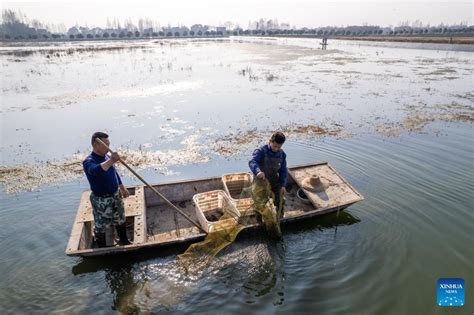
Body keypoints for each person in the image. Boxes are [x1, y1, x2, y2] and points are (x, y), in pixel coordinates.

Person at [83, 132, 131, 247]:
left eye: (108, 143)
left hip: (115, 195)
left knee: (120, 218)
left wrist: (122, 187)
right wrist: (111, 161)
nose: (108, 147)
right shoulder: (89, 161)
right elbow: (95, 170)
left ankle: (124, 241)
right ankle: (102, 248)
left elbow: (114, 172)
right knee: (101, 225)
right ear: (95, 145)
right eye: (105, 144)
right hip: (101, 199)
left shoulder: (107, 156)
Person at [248, 131, 288, 216]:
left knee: (280, 199)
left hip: (274, 180)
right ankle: (259, 218)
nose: (276, 149)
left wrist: (283, 185)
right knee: (260, 203)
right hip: (260, 181)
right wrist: (258, 171)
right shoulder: (261, 150)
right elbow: (252, 161)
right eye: (275, 146)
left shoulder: (282, 154)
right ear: (270, 141)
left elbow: (283, 171)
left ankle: (279, 216)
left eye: (279, 147)